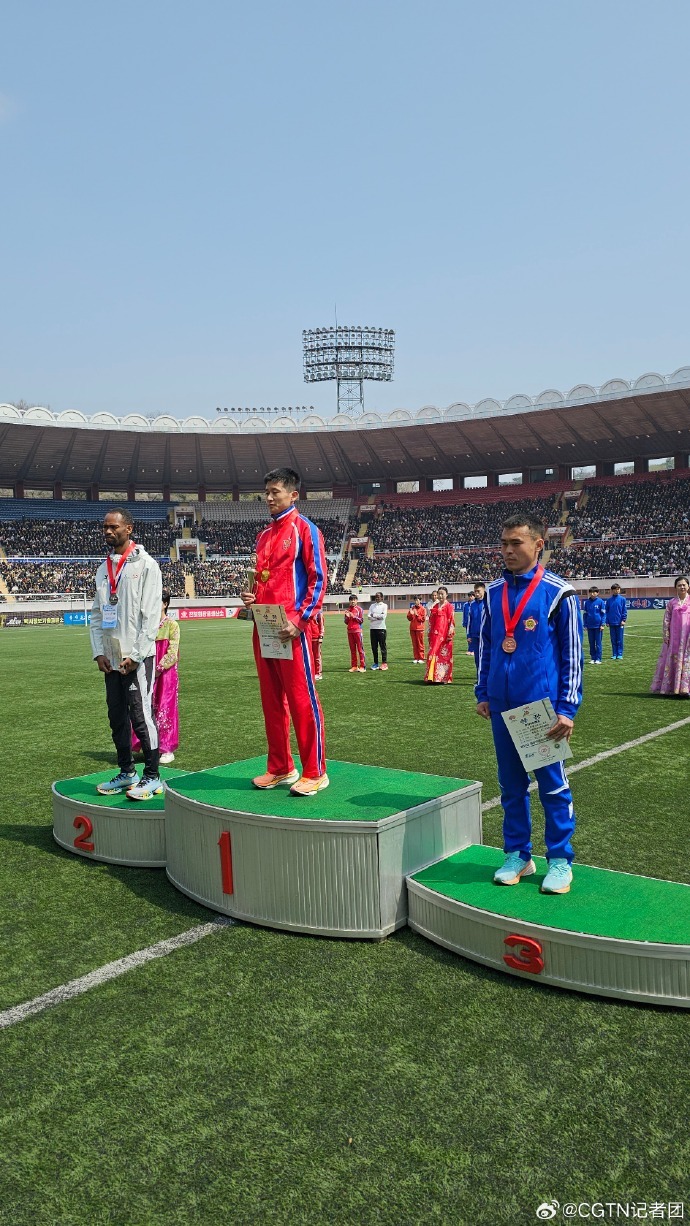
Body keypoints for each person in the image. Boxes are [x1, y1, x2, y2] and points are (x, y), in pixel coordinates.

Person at [475, 514, 583, 895]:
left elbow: (572, 656)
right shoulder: (492, 593)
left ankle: (560, 859)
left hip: (540, 709)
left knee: (551, 786)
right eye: (503, 543)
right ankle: (518, 854)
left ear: (538, 545)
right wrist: (483, 692)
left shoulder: (559, 593)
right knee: (511, 785)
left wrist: (567, 709)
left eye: (516, 543)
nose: (507, 550)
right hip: (502, 706)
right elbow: (487, 646)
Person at [241, 467, 328, 796]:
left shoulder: (306, 529)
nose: (268, 498)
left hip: (292, 628)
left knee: (302, 699)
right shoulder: (264, 535)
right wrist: (251, 597)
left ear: (293, 494)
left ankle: (315, 772)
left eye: (274, 492)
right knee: (271, 701)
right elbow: (263, 579)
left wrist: (301, 620)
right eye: (266, 493)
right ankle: (280, 767)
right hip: (264, 624)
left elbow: (318, 579)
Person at [90, 508, 163, 800]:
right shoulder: (102, 569)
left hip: (137, 658)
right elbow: (97, 615)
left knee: (141, 715)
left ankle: (153, 776)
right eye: (105, 527)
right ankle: (127, 772)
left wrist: (137, 654)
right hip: (111, 658)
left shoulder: (146, 565)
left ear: (129, 529)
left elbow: (151, 616)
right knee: (116, 716)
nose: (108, 532)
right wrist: (99, 652)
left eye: (114, 527)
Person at [132, 589, 180, 763]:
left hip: (165, 674)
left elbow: (173, 652)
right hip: (146, 670)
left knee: (165, 707)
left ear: (165, 604)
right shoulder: (147, 626)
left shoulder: (172, 625)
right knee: (145, 706)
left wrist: (159, 668)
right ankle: (146, 745)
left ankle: (166, 748)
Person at [650, 575, 690, 697]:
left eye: (684, 585)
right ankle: (672, 687)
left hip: (688, 637)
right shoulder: (672, 603)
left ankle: (685, 688)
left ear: (688, 586)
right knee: (673, 659)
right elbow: (666, 619)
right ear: (675, 587)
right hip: (674, 637)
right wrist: (666, 634)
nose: (682, 587)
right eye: (679, 585)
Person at [424, 586, 455, 683]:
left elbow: (451, 622)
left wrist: (450, 635)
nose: (440, 596)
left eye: (442, 594)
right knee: (432, 653)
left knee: (444, 656)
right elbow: (431, 622)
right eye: (439, 594)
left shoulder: (449, 607)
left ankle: (443, 678)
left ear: (446, 595)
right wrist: (429, 632)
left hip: (445, 636)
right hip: (435, 635)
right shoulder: (434, 607)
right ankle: (431, 677)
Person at [583, 585, 606, 664]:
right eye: (591, 592)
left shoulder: (600, 602)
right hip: (590, 626)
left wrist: (602, 624)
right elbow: (585, 614)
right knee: (591, 643)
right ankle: (593, 658)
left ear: (597, 593)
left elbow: (603, 614)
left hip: (598, 626)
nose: (592, 594)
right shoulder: (587, 603)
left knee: (598, 643)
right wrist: (585, 625)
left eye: (594, 592)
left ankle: (598, 658)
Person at [467, 582, 485, 675]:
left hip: (486, 635)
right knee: (477, 658)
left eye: (478, 591)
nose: (477, 594)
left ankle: (487, 678)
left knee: (486, 657)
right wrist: (468, 635)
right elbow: (469, 620)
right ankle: (479, 678)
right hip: (475, 635)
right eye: (475, 592)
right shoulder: (472, 604)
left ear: (483, 590)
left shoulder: (488, 602)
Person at [344, 594, 366, 672]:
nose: (352, 601)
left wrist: (353, 616)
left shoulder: (359, 609)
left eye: (354, 600)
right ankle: (354, 666)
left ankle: (362, 666)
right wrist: (347, 617)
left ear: (357, 601)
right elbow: (346, 622)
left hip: (357, 631)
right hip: (350, 632)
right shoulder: (347, 610)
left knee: (360, 649)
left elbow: (361, 620)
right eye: (351, 600)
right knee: (352, 650)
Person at [605, 583, 627, 660]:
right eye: (615, 589)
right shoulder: (609, 600)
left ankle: (620, 654)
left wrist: (623, 620)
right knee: (613, 639)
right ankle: (614, 654)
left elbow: (624, 610)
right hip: (611, 623)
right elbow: (606, 611)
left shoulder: (622, 599)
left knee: (620, 639)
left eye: (618, 589)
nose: (616, 591)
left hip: (620, 622)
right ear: (612, 590)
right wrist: (607, 621)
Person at [368, 592, 388, 671]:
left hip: (381, 628)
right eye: (376, 597)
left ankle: (384, 663)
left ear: (382, 598)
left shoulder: (384, 606)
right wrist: (377, 616)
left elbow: (383, 616)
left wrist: (374, 615)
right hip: (373, 628)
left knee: (382, 646)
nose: (377, 598)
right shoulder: (372, 606)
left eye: (378, 597)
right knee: (374, 647)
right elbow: (369, 616)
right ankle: (375, 663)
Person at [407, 596, 426, 663]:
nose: (416, 602)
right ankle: (416, 657)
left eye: (417, 600)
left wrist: (417, 615)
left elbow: (423, 619)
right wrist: (411, 614)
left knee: (420, 643)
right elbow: (409, 618)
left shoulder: (423, 609)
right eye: (415, 600)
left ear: (420, 601)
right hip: (412, 628)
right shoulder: (412, 608)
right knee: (414, 644)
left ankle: (421, 657)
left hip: (420, 629)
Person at [311, 609, 325, 681]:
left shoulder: (318, 611)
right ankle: (312, 672)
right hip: (308, 637)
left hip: (316, 637)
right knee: (310, 656)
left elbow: (321, 625)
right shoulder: (306, 610)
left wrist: (321, 636)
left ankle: (318, 673)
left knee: (317, 656)